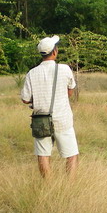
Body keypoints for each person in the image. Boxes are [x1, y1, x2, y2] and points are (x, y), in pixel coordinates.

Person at [21, 35, 79, 179]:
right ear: (55, 51)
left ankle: (48, 185)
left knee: (43, 154)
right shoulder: (65, 69)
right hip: (63, 119)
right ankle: (70, 185)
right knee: (71, 154)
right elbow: (70, 91)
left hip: (41, 121)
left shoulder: (32, 73)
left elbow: (25, 99)